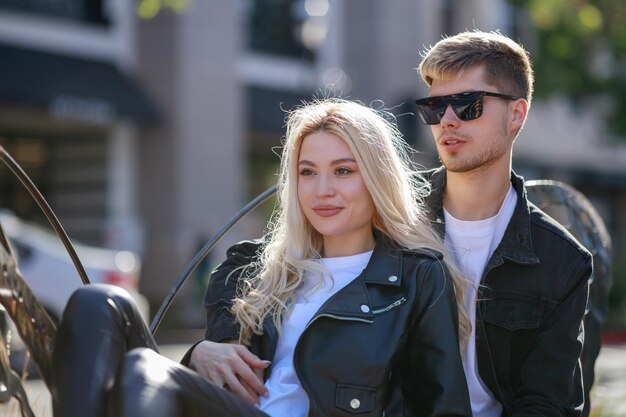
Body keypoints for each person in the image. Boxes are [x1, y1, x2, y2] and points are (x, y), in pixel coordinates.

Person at [197, 31, 594, 416]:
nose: (447, 121)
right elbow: (256, 260)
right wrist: (217, 342)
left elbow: (548, 403)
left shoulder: (560, 261)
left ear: (516, 114)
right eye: (435, 108)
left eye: (468, 104)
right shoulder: (383, 208)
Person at [51, 98, 473, 417]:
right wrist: (200, 353)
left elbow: (443, 405)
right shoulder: (251, 267)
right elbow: (222, 363)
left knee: (144, 368)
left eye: (343, 171)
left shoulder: (417, 277)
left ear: (376, 180)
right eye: (307, 172)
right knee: (99, 302)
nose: (321, 190)